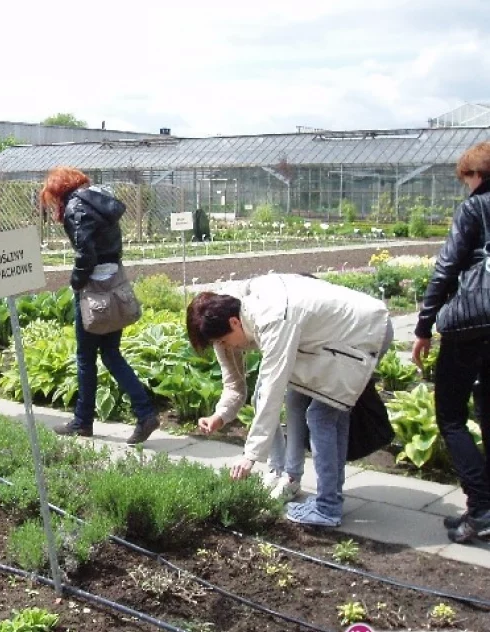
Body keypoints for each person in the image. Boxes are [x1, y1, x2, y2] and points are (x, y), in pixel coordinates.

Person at [187, 274, 392, 527]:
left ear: (234, 322)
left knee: (321, 415)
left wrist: (250, 456)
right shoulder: (223, 317)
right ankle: (304, 486)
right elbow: (235, 384)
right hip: (325, 341)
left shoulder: (272, 318)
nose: (225, 347)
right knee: (300, 400)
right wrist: (220, 415)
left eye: (224, 342)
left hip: (364, 333)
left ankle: (328, 507)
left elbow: (272, 387)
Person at [39, 167, 159, 445]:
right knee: (111, 353)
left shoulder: (76, 207)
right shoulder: (101, 198)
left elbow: (85, 253)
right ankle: (145, 412)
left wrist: (77, 282)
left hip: (94, 291)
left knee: (86, 358)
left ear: (59, 191)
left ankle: (83, 422)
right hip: (115, 283)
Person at [413, 140, 490, 544]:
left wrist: (424, 326)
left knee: (451, 415)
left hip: (475, 321)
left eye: (467, 179)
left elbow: (448, 266)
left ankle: (480, 508)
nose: (466, 186)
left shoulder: (475, 206)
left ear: (476, 174)